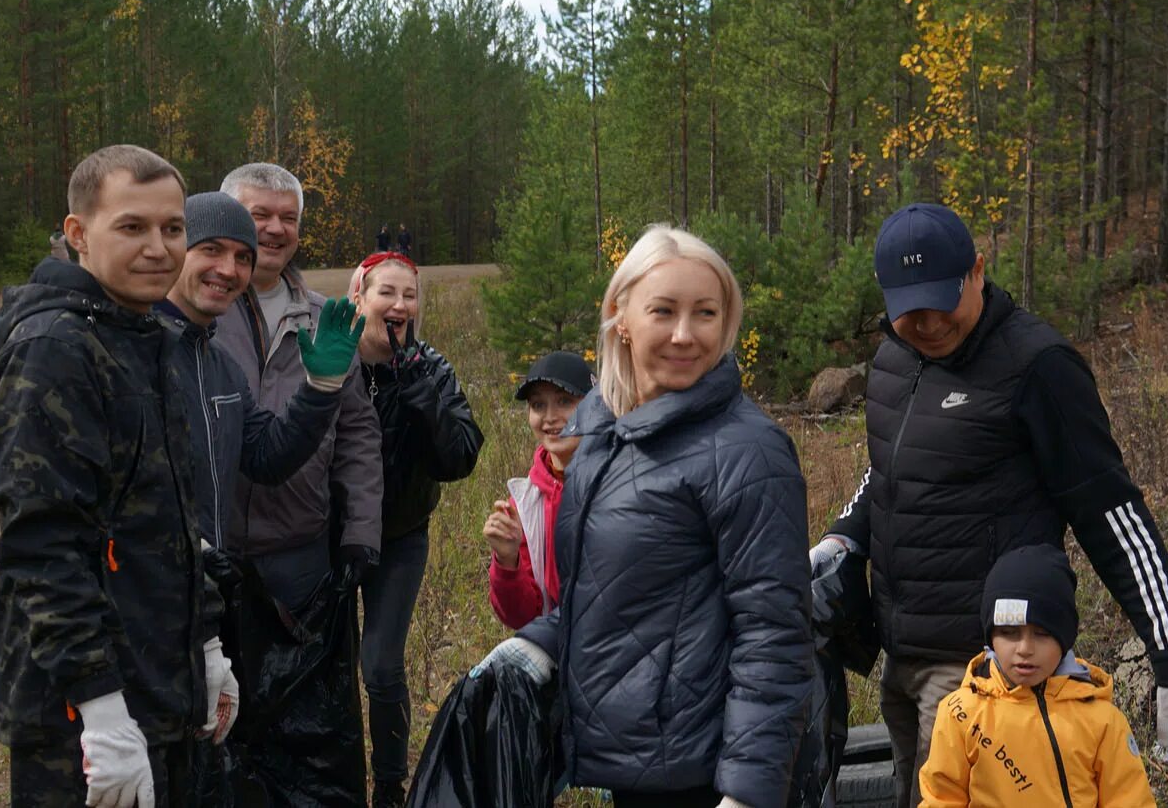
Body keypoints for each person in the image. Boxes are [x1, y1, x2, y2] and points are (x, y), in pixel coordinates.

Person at [809, 203, 1168, 808]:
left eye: (941, 300)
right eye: (908, 309)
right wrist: (843, 536)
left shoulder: (1038, 367)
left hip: (989, 670)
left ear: (976, 270)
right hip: (902, 653)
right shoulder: (893, 361)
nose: (928, 322)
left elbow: (1112, 514)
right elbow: (890, 470)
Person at [475, 225, 815, 808]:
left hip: (701, 773)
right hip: (636, 760)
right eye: (664, 310)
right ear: (621, 316)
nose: (685, 335)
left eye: (705, 313)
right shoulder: (603, 432)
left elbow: (773, 635)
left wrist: (747, 793)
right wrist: (536, 643)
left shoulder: (747, 451)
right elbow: (603, 592)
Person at [0, 144, 232, 807]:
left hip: (159, 684)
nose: (158, 247)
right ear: (77, 234)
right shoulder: (56, 352)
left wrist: (205, 640)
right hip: (84, 718)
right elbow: (43, 547)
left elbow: (174, 518)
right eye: (132, 227)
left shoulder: (146, 337)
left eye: (172, 228)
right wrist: (98, 705)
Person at [210, 164, 385, 802]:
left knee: (310, 742)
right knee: (219, 735)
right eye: (260, 215)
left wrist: (361, 531)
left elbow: (360, 434)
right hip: (213, 567)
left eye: (288, 217)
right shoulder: (200, 314)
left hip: (302, 563)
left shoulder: (325, 319)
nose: (275, 229)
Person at [345, 250, 484, 808]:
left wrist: (423, 397)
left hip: (400, 536)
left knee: (379, 665)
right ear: (360, 296)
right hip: (329, 538)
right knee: (327, 665)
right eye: (387, 292)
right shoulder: (335, 360)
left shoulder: (431, 366)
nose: (400, 304)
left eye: (410, 294)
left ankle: (389, 787)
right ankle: (335, 775)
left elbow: (461, 458)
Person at [919, 545, 1154, 807]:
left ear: (1064, 638)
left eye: (1041, 634)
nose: (1024, 649)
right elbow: (941, 799)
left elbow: (1130, 800)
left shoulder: (1103, 721)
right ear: (991, 637)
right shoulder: (960, 713)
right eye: (1009, 633)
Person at [483, 350, 595, 630]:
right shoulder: (525, 502)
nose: (550, 417)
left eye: (565, 401)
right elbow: (522, 618)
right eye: (538, 405)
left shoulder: (617, 479)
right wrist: (507, 561)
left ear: (594, 405)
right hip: (557, 654)